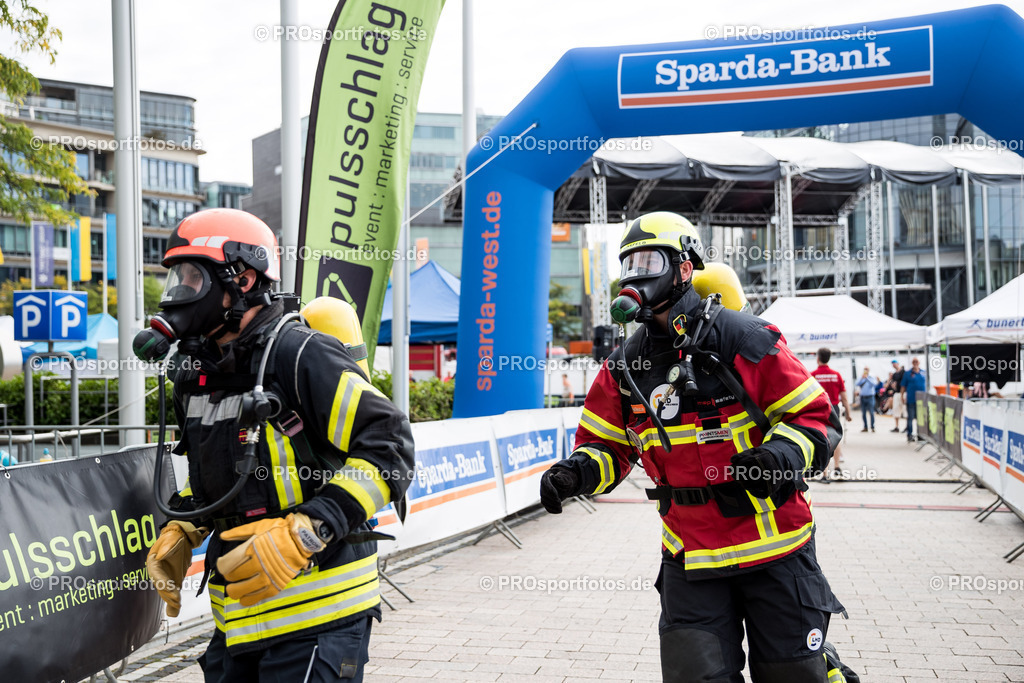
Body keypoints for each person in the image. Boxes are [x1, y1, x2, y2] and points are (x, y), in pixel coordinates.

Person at [539, 212, 853, 682]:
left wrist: (778, 457)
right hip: (691, 558)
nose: (636, 275)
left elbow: (816, 417)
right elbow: (608, 446)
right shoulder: (624, 366)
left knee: (794, 677)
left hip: (776, 551)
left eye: (650, 261)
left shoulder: (744, 338)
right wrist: (577, 473)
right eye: (629, 263)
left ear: (685, 268)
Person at [140, 209, 415, 683]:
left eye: (191, 278)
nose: (176, 294)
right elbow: (231, 476)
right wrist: (186, 525)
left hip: (319, 617)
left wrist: (310, 530)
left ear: (241, 278)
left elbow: (390, 447)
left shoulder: (300, 353)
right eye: (175, 278)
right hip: (240, 621)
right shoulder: (196, 374)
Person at [811, 348, 853, 479]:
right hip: (834, 408)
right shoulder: (836, 375)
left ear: (818, 358)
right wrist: (849, 413)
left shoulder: (812, 375)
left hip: (819, 408)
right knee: (835, 437)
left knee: (822, 438)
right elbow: (844, 396)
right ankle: (837, 467)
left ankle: (824, 473)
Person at [900, 357, 927, 442]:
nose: (915, 363)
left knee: (920, 418)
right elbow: (903, 386)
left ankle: (920, 435)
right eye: (914, 361)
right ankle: (910, 435)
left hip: (921, 399)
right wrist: (902, 396)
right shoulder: (908, 373)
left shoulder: (923, 372)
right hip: (911, 398)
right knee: (910, 418)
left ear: (919, 363)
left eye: (917, 361)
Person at [855, 367, 878, 432]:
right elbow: (857, 384)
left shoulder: (871, 377)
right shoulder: (861, 377)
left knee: (871, 412)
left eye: (867, 370)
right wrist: (862, 378)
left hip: (870, 397)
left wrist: (867, 378)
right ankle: (865, 427)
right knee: (863, 413)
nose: (866, 371)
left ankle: (872, 427)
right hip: (863, 397)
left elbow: (874, 384)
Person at [890, 360, 905, 432]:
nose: (894, 365)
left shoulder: (903, 372)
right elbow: (891, 383)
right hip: (896, 393)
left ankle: (907, 426)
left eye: (894, 364)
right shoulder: (894, 374)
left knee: (905, 410)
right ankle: (897, 426)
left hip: (903, 393)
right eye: (893, 364)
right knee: (896, 409)